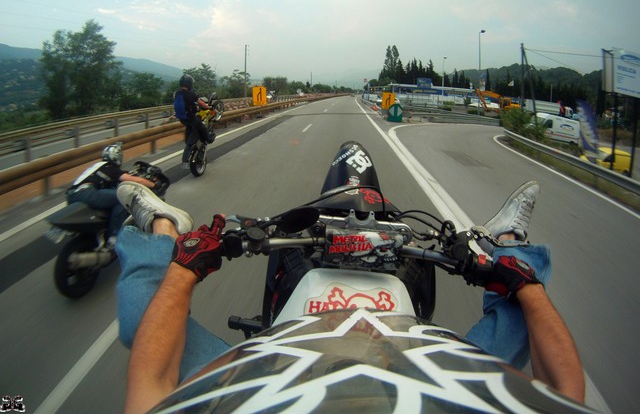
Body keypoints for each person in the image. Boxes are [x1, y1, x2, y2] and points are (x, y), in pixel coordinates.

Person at [114, 180, 585, 413]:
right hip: (428, 364)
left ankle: (160, 226)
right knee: (526, 306)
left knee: (142, 317)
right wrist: (523, 282)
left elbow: (149, 387)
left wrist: (185, 261)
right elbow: (566, 392)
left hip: (271, 366)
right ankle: (509, 244)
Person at [65, 143, 155, 245]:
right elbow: (132, 180)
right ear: (117, 157)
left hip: (71, 194)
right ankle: (114, 236)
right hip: (85, 193)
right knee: (122, 198)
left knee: (111, 195)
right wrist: (152, 184)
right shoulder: (110, 168)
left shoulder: (98, 166)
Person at [173, 74, 215, 170]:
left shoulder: (177, 93)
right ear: (189, 84)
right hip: (190, 118)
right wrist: (208, 107)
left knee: (190, 128)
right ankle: (208, 139)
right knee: (202, 127)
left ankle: (189, 142)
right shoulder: (190, 93)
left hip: (182, 119)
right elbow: (201, 103)